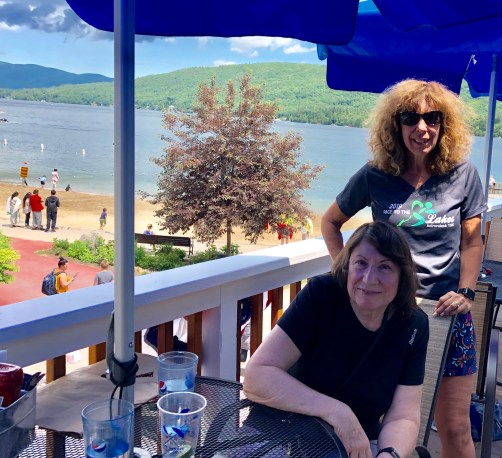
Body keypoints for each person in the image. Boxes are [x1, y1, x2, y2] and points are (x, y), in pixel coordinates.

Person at [321, 79, 486, 458]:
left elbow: (472, 241)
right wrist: (349, 276)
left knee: (456, 427)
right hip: (390, 315)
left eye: (432, 118)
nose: (421, 128)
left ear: (444, 124)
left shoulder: (463, 174)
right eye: (410, 117)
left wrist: (465, 292)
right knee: (385, 421)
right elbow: (330, 222)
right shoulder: (375, 175)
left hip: (447, 314)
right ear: (395, 124)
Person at [244, 221, 428, 457]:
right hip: (280, 430)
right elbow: (257, 376)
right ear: (347, 266)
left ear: (402, 276)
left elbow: (404, 416)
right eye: (361, 263)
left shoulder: (412, 324)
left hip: (356, 445)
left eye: (385, 267)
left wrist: (389, 454)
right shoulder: (323, 295)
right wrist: (337, 413)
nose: (369, 278)